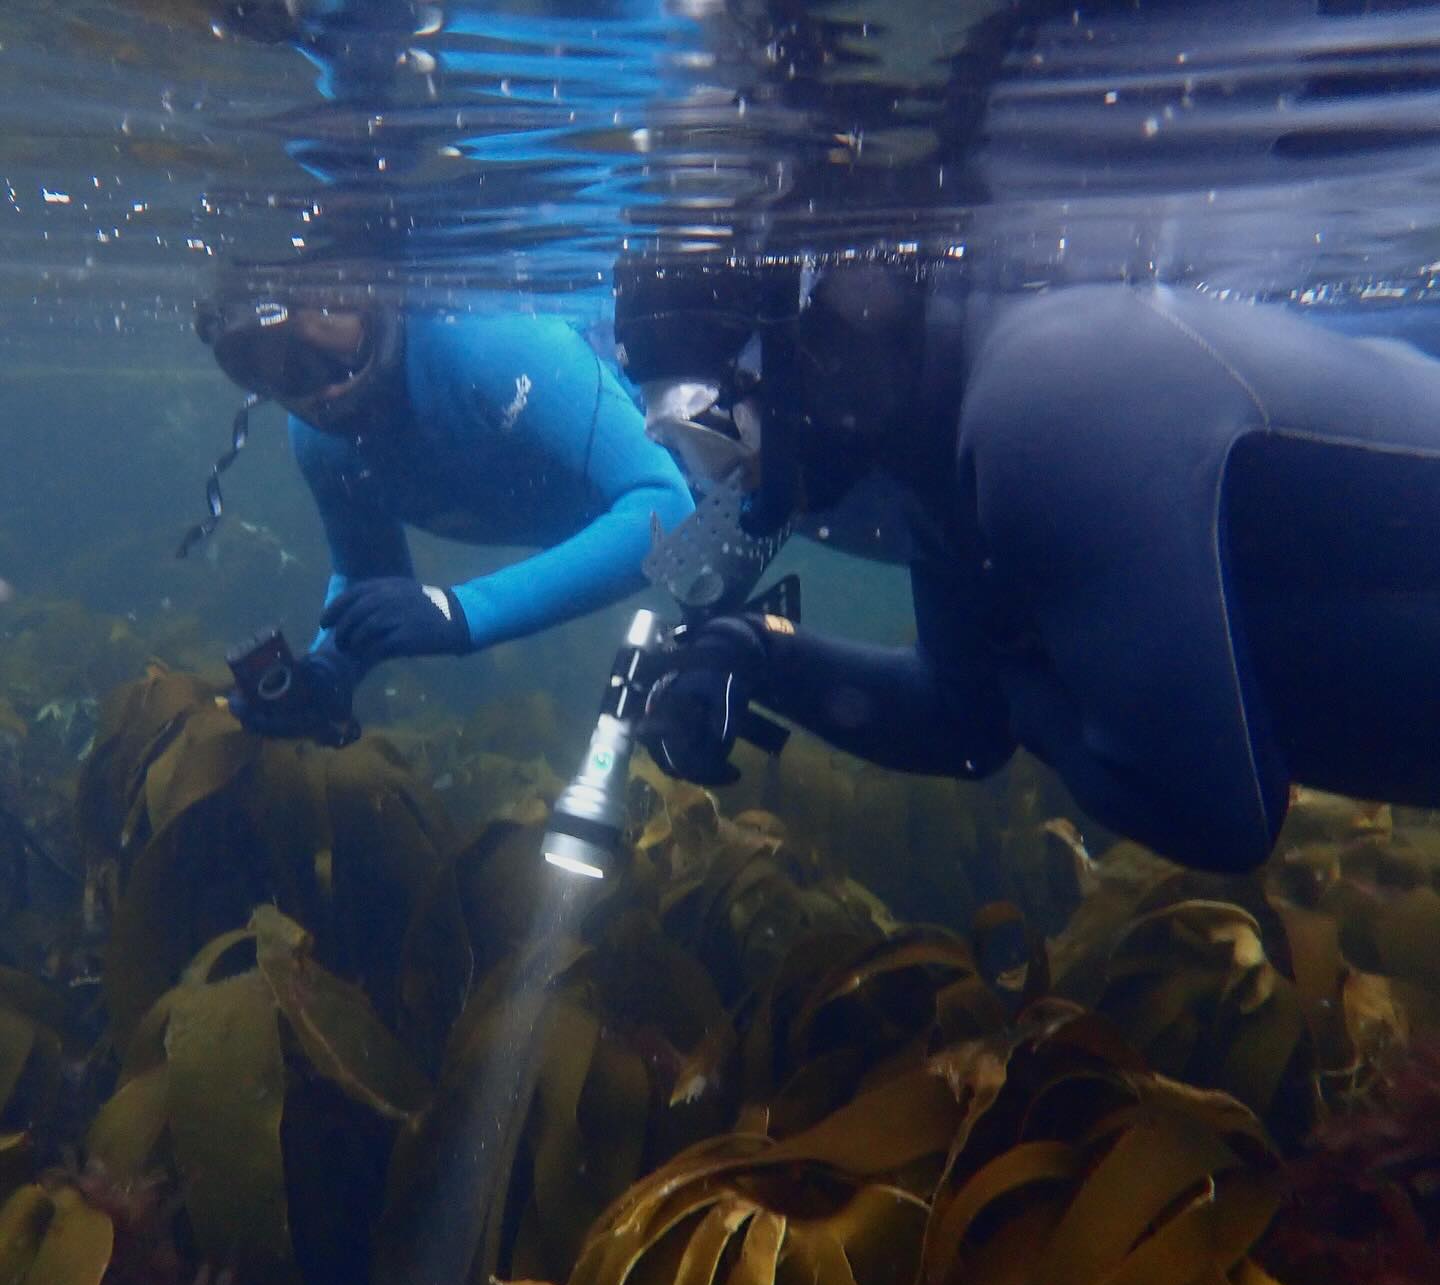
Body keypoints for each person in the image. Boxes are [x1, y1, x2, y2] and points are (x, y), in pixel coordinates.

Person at [624, 258, 1440, 874]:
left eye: (714, 431)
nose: (724, 477)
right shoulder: (943, 430)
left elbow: (1216, 812)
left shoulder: (1040, 401)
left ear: (804, 343)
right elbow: (963, 724)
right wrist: (756, 652)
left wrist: (1015, 674)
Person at [194, 283, 694, 737]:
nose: (317, 385)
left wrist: (463, 612)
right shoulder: (320, 443)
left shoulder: (487, 341)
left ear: (375, 298)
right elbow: (369, 577)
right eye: (271, 365)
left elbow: (667, 510)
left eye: (326, 329)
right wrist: (329, 670)